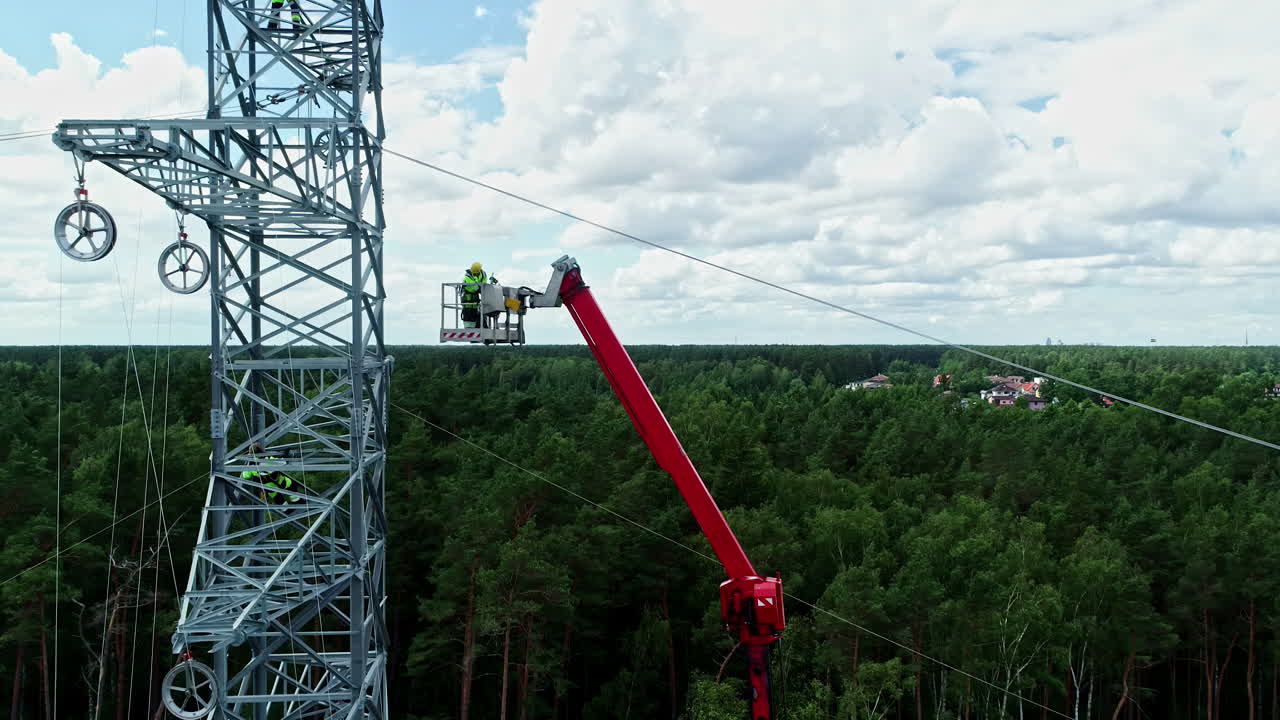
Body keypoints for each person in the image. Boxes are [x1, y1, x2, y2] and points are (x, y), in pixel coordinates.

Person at [461, 262, 496, 328]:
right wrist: (481, 289)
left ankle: (475, 327)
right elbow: (475, 288)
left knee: (475, 314)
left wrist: (483, 289)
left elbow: (483, 284)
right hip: (468, 298)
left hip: (475, 298)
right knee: (468, 315)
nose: (475, 274)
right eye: (474, 272)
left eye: (476, 273)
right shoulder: (468, 276)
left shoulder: (483, 274)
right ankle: (468, 329)